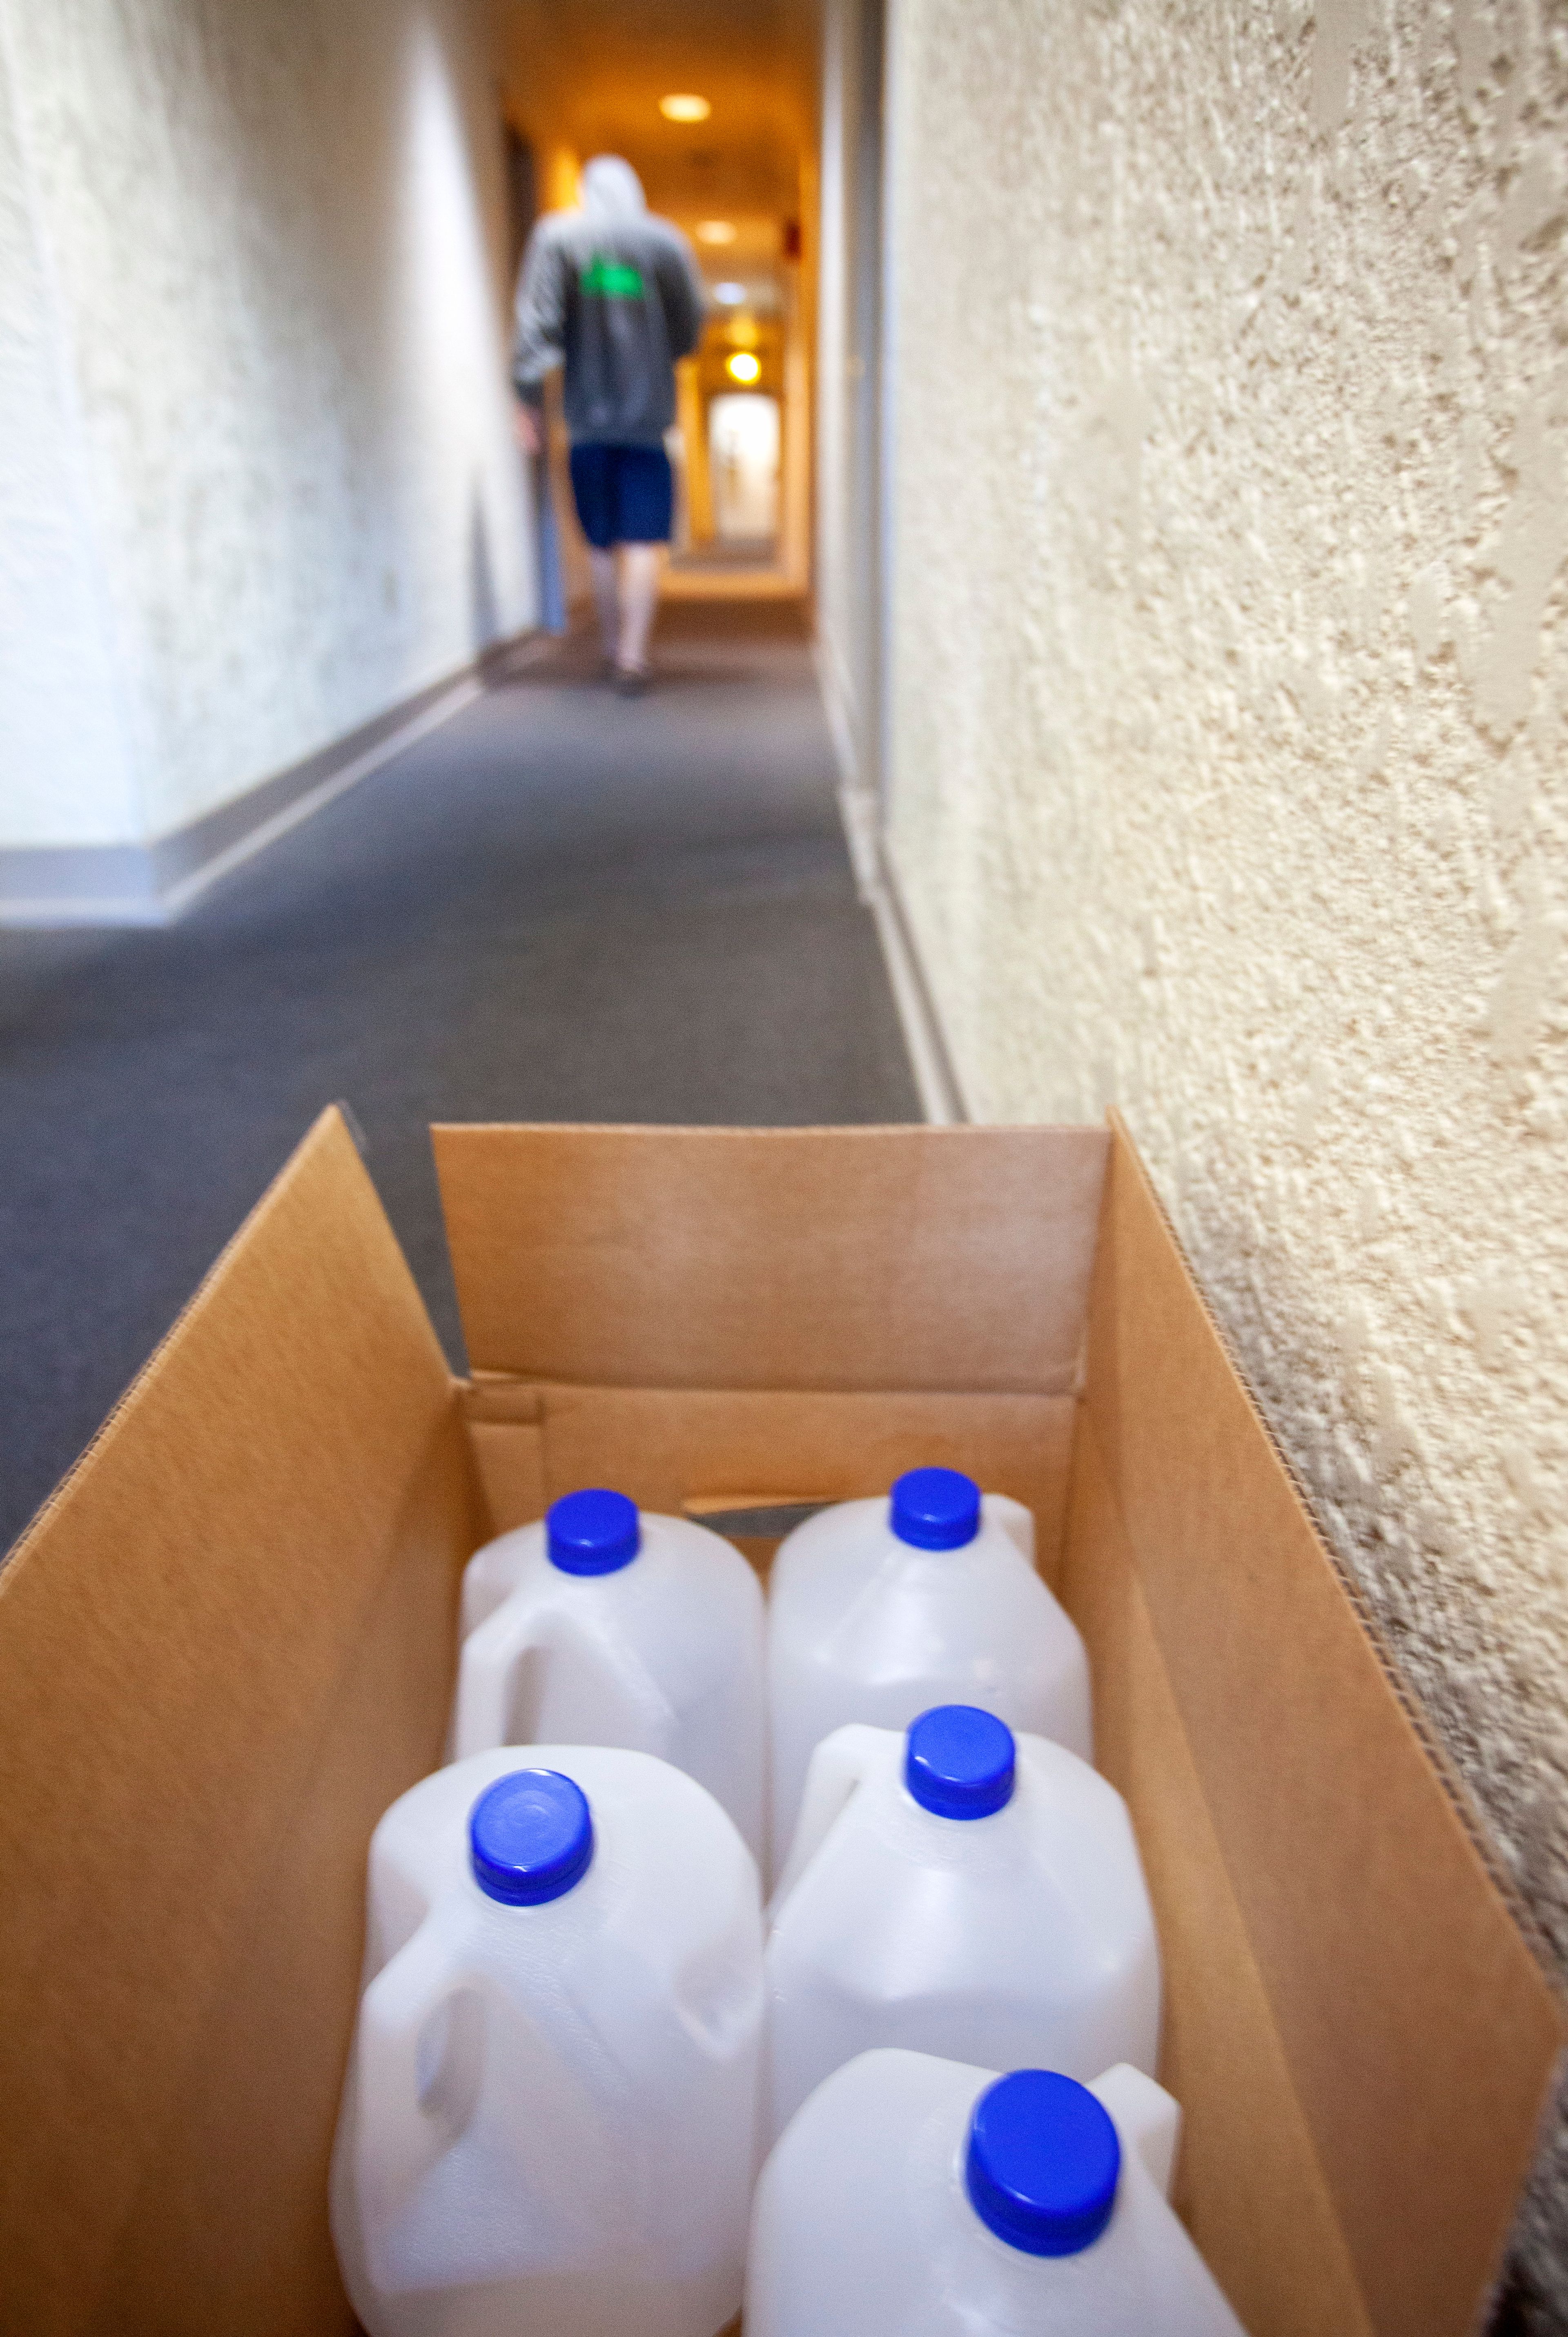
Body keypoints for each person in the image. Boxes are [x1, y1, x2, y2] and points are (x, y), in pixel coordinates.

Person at [513, 156, 706, 694]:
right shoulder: (664, 244)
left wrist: (526, 397)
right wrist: (665, 351)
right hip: (648, 423)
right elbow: (691, 320)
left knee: (600, 542)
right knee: (644, 540)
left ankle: (610, 644)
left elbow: (537, 323)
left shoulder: (559, 241)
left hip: (587, 423)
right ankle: (633, 657)